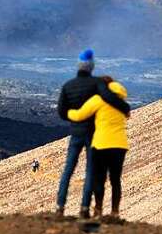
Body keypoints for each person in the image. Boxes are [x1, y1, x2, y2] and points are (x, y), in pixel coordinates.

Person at [55, 49, 131, 219]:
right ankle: (87, 208)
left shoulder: (68, 85)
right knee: (95, 173)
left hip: (81, 134)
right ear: (91, 66)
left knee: (69, 169)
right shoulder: (97, 85)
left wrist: (71, 116)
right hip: (102, 137)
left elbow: (66, 111)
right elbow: (109, 98)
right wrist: (125, 108)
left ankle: (61, 205)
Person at [67, 76, 131, 220]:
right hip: (120, 145)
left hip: (101, 143)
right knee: (115, 180)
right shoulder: (121, 102)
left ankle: (98, 210)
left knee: (99, 179)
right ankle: (115, 212)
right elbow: (127, 116)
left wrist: (67, 111)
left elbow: (79, 115)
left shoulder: (98, 99)